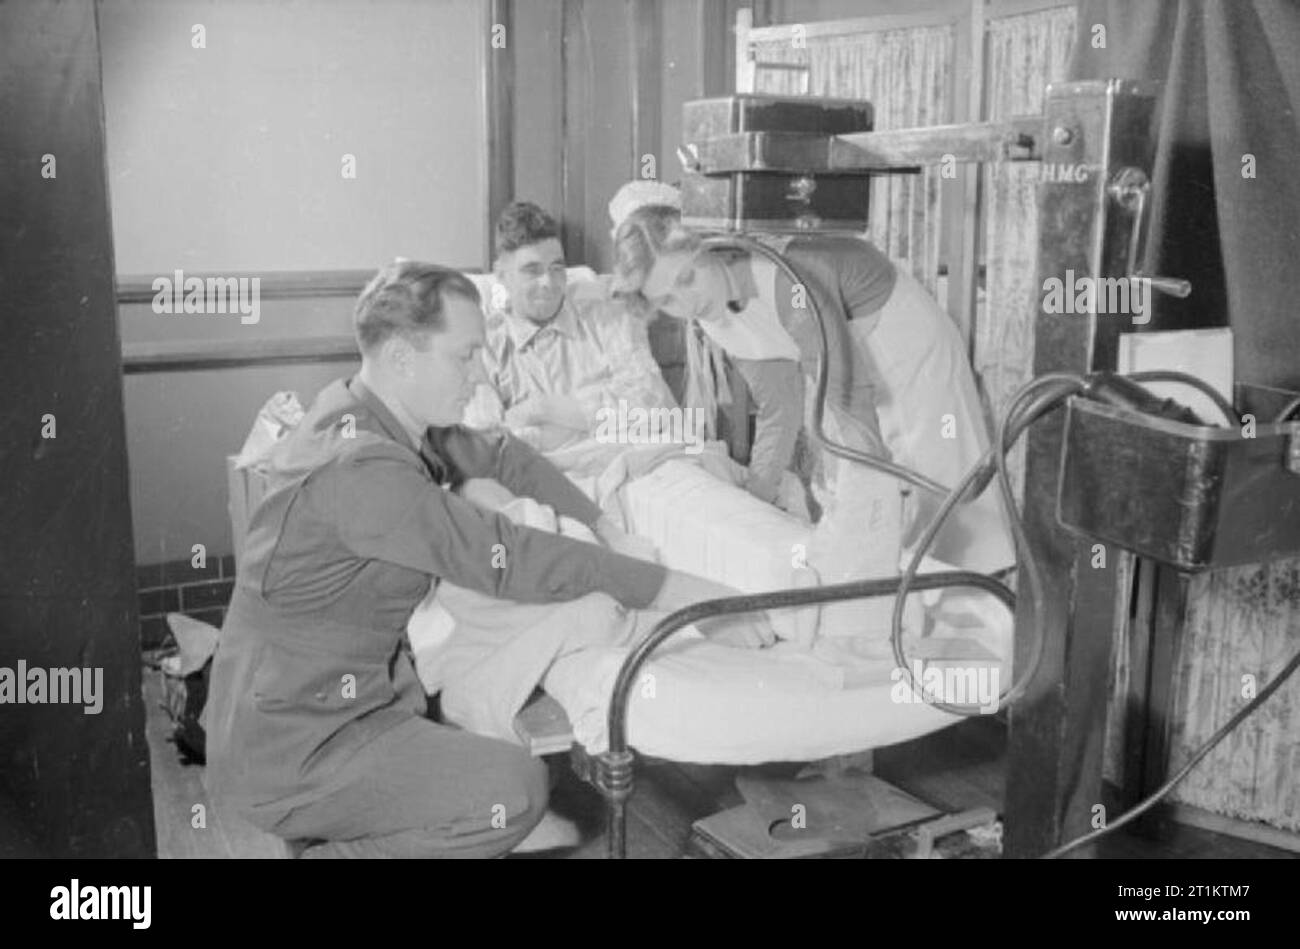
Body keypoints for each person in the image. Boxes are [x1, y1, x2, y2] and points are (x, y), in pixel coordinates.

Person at [202, 260, 772, 859]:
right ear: (401, 357)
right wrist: (687, 593)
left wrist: (606, 528)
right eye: (465, 355)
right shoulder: (361, 466)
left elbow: (506, 455)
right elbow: (511, 557)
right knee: (516, 789)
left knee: (531, 807)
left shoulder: (368, 411)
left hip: (326, 703)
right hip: (294, 741)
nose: (480, 374)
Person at [610, 205, 1016, 576]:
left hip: (905, 351)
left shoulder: (785, 278)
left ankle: (983, 608)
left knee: (945, 483)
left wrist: (863, 504)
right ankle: (914, 598)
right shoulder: (715, 317)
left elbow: (845, 396)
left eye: (687, 279)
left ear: (712, 249)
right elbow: (779, 407)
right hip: (850, 373)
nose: (686, 302)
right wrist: (759, 491)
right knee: (887, 505)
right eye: (665, 300)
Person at [468, 201, 678, 453]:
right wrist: (594, 418)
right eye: (531, 271)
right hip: (543, 481)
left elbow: (652, 408)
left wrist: (541, 409)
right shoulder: (483, 345)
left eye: (557, 268)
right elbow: (486, 441)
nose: (548, 282)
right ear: (501, 275)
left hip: (645, 466)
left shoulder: (610, 319)